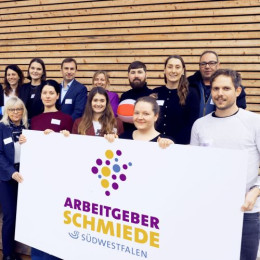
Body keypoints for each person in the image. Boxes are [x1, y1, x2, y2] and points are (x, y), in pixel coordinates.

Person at [190, 69, 260, 260]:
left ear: (237, 91)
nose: (220, 93)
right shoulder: (199, 125)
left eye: (226, 88)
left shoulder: (254, 122)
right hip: (209, 209)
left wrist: (256, 191)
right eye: (216, 88)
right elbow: (194, 167)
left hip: (246, 211)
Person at [27, 80, 72, 260]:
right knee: (38, 219)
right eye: (44, 93)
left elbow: (71, 149)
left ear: (57, 95)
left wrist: (65, 138)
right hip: (37, 177)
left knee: (56, 220)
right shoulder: (34, 120)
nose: (47, 96)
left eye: (51, 93)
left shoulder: (66, 119)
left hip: (59, 177)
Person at [0, 97, 28, 260]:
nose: (16, 112)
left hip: (25, 176)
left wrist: (29, 141)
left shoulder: (28, 126)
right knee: (10, 215)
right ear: (7, 111)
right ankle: (8, 254)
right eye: (12, 109)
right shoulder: (1, 127)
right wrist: (11, 172)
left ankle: (18, 250)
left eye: (19, 109)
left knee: (23, 214)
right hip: (7, 177)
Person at [152, 55, 200, 144]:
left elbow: (191, 124)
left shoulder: (191, 94)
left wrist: (173, 141)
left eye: (177, 67)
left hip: (178, 146)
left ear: (182, 71)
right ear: (164, 70)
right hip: (155, 144)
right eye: (170, 67)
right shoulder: (156, 92)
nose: (173, 70)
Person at [188, 50, 246, 117]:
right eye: (203, 63)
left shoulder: (233, 87)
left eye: (211, 63)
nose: (207, 66)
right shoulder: (189, 84)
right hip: (195, 126)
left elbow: (239, 112)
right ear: (199, 66)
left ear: (218, 65)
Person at [105, 96, 173, 148]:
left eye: (146, 114)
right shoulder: (123, 137)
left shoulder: (165, 142)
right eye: (137, 113)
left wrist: (171, 148)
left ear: (155, 116)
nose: (140, 117)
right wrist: (110, 141)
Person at [119, 61, 152, 131]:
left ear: (146, 75)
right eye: (133, 72)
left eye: (139, 72)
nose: (136, 75)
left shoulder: (153, 96)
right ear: (128, 75)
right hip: (127, 139)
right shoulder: (124, 97)